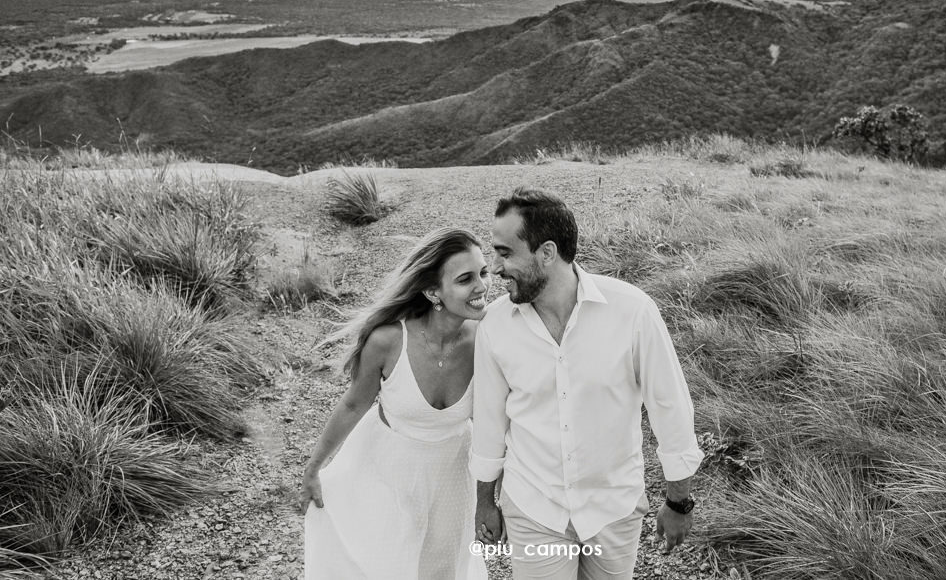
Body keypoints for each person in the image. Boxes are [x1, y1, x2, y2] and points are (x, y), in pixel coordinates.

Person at [471, 188, 704, 580]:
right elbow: (489, 421)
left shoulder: (632, 311)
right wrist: (484, 501)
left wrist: (679, 501)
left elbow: (670, 407)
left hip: (614, 508)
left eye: (505, 253)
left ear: (547, 252)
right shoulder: (495, 324)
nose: (495, 268)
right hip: (534, 507)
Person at [299, 227, 490, 580]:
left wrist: (493, 494)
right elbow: (353, 405)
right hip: (388, 474)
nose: (481, 286)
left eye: (484, 272)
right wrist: (313, 469)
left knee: (444, 569)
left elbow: (494, 421)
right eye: (465, 279)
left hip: (454, 474)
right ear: (433, 291)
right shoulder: (388, 341)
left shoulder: (487, 339)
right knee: (389, 567)